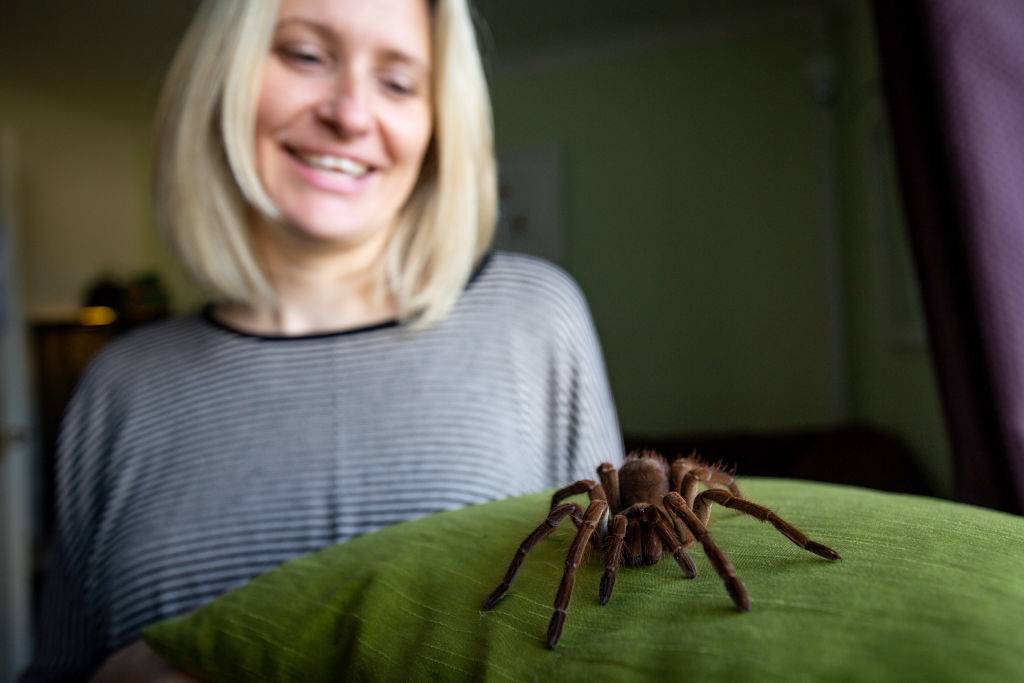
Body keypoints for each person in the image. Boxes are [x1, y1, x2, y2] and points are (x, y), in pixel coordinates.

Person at [21, 0, 622, 680]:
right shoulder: (121, 384)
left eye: (397, 82)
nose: (351, 114)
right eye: (306, 56)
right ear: (224, 76)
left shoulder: (535, 318)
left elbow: (614, 628)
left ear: (437, 122)